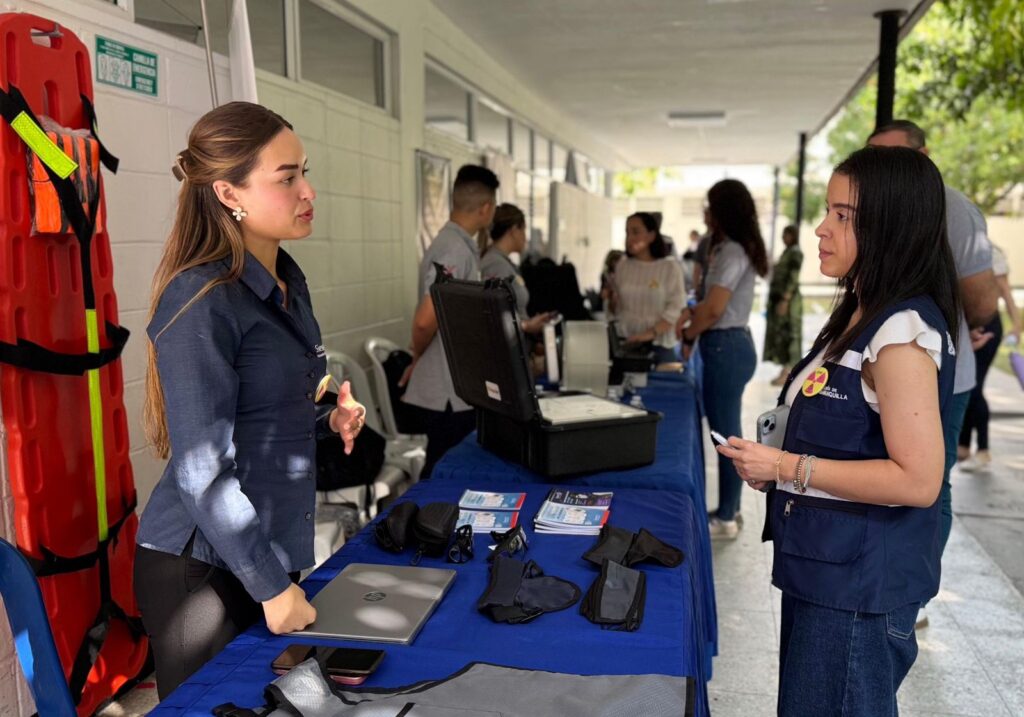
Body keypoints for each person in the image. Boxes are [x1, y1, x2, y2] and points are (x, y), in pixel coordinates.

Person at [717, 146, 960, 716]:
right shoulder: (860, 310)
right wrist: (777, 462)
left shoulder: (899, 334)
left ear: (891, 226)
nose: (823, 230)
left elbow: (918, 479)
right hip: (825, 569)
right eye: (828, 210)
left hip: (858, 586)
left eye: (843, 216)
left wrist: (785, 469)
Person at [134, 102, 367, 698]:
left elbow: (261, 418)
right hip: (203, 570)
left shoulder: (287, 280)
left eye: (304, 172)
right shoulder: (202, 300)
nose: (308, 191)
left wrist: (326, 418)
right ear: (228, 192)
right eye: (287, 178)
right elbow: (202, 472)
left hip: (264, 548)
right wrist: (270, 585)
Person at [867, 120, 997, 627]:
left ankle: (914, 595)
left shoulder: (955, 209)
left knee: (927, 483)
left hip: (941, 375)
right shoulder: (875, 207)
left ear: (923, 157)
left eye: (891, 158)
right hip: (880, 373)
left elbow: (982, 300)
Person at [675, 181, 768, 538]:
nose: (705, 212)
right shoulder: (727, 249)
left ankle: (727, 516)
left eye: (709, 206)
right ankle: (730, 508)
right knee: (726, 433)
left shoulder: (732, 251)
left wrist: (688, 333)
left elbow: (714, 309)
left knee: (726, 438)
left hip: (725, 346)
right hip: (725, 344)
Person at [401, 165, 499, 480]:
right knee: (444, 473)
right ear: (486, 208)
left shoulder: (456, 243)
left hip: (455, 385)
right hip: (448, 391)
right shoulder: (454, 249)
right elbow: (425, 320)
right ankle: (421, 525)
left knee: (448, 470)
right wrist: (418, 355)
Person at [959, 244, 1021, 470]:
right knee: (967, 384)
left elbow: (1005, 290)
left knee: (974, 387)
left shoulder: (991, 253)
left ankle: (983, 450)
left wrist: (1016, 324)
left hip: (988, 328)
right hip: (969, 325)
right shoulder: (965, 250)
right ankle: (964, 447)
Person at [608, 212, 685, 364]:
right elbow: (616, 309)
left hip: (659, 346)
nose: (630, 238)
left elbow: (676, 308)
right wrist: (611, 301)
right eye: (627, 232)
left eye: (635, 232)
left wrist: (650, 333)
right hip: (627, 343)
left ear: (651, 236)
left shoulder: (669, 267)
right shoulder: (623, 266)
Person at [480, 203, 554, 333]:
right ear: (514, 230)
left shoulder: (503, 262)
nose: (525, 237)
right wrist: (526, 325)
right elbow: (493, 316)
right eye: (524, 230)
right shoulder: (495, 264)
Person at [765, 225, 804, 385]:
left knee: (790, 335)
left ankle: (790, 371)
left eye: (786, 234)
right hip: (780, 299)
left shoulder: (795, 253)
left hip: (789, 302)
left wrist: (785, 300)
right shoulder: (787, 252)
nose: (783, 238)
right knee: (781, 334)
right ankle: (785, 369)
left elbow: (793, 277)